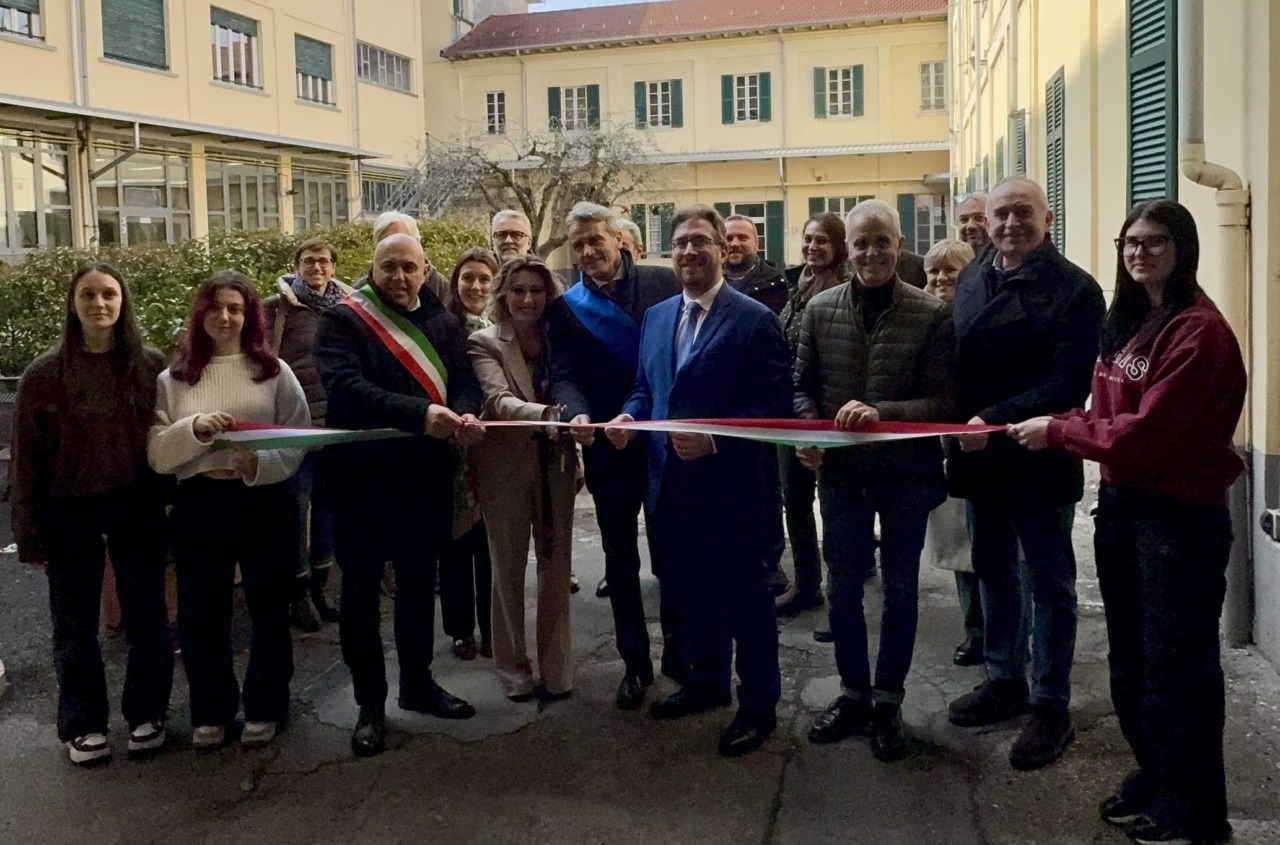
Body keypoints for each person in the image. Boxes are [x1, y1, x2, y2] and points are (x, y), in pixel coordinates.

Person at [1008, 200, 1243, 845]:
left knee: (1179, 671)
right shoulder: (1133, 321)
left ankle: (1197, 813)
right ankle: (1160, 773)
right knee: (1132, 664)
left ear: (1183, 248)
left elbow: (1148, 433)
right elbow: (1107, 411)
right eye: (1130, 243)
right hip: (1123, 509)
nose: (1139, 253)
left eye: (1155, 242)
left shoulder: (1200, 333)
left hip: (1178, 519)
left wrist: (1058, 430)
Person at [607, 205, 792, 757]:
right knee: (691, 596)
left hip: (733, 489)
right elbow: (646, 388)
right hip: (669, 489)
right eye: (681, 243)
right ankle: (707, 684)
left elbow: (775, 409)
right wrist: (628, 417)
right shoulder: (659, 317)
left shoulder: (754, 319)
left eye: (700, 242)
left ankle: (758, 705)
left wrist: (715, 440)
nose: (689, 251)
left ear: (722, 250)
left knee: (746, 601)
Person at [946, 177, 1105, 771]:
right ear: (984, 223)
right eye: (999, 214)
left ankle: (1050, 700)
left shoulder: (1076, 290)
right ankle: (1003, 676)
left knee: (1049, 581)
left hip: (1036, 454)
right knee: (991, 569)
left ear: (1048, 217)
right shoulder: (971, 276)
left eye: (1022, 213)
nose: (1009, 223)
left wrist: (994, 417)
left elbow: (1069, 382)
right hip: (979, 456)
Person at [795, 201, 955, 762]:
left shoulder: (931, 313)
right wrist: (809, 436)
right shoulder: (819, 309)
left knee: (900, 593)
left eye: (881, 241)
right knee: (841, 591)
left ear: (900, 242)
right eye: (861, 243)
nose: (871, 253)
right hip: (840, 476)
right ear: (849, 248)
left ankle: (889, 701)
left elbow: (945, 401)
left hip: (906, 476)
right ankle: (853, 694)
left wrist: (881, 412)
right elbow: (801, 388)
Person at [314, 233, 484, 758]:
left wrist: (466, 410)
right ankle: (370, 703)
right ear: (372, 267)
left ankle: (417, 683)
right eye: (389, 267)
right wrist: (420, 415)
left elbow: (463, 382)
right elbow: (345, 387)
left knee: (416, 588)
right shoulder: (342, 320)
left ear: (425, 269)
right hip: (360, 483)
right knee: (361, 595)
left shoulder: (445, 321)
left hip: (423, 479)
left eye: (409, 268)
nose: (399, 277)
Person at [11, 263, 173, 765]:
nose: (99, 304)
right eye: (88, 295)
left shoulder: (150, 365)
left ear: (123, 301)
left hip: (137, 503)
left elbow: (165, 440)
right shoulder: (43, 375)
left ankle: (148, 713)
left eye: (109, 294)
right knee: (74, 622)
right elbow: (26, 461)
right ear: (73, 303)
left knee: (146, 615)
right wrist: (30, 535)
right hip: (69, 510)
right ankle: (83, 722)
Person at [149, 271, 310, 751]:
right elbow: (157, 453)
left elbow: (298, 439)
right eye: (215, 307)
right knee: (202, 613)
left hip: (264, 500)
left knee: (268, 609)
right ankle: (211, 710)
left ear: (249, 316)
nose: (225, 317)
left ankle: (266, 705)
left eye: (236, 308)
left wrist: (259, 463)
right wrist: (194, 430)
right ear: (201, 314)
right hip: (201, 503)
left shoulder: (274, 371)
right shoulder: (173, 380)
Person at [547, 201, 681, 711]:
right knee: (620, 559)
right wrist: (576, 414)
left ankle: (680, 651)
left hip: (667, 440)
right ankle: (635, 663)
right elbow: (565, 375)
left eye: (594, 241)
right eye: (577, 245)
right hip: (607, 445)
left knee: (672, 552)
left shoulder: (663, 284)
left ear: (619, 240)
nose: (586, 252)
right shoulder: (567, 308)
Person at [469, 255, 577, 702]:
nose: (528, 299)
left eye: (537, 290)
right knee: (507, 571)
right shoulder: (485, 342)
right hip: (505, 469)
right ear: (503, 295)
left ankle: (557, 670)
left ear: (548, 295)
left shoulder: (563, 339)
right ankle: (513, 669)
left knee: (556, 572)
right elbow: (497, 401)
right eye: (518, 291)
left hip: (559, 468)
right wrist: (548, 415)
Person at [265, 238, 354, 633]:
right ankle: (297, 592)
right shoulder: (277, 310)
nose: (316, 267)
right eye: (308, 261)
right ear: (296, 266)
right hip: (295, 423)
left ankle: (321, 586)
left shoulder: (350, 308)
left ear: (333, 267)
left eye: (323, 261)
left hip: (336, 423)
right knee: (295, 511)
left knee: (328, 511)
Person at [776, 213, 850, 621]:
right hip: (793, 410)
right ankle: (807, 586)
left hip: (831, 415)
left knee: (838, 508)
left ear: (838, 246)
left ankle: (843, 594)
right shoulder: (796, 284)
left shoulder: (844, 288)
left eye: (822, 240)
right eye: (807, 239)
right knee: (796, 502)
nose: (812, 247)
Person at [922, 238, 986, 667]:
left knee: (990, 548)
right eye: (934, 272)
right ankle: (974, 629)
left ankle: (1005, 630)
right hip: (940, 447)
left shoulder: (980, 319)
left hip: (982, 443)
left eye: (952, 270)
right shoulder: (923, 321)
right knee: (958, 548)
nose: (942, 278)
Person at [439, 248, 498, 661]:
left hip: (498, 450)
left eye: (483, 278)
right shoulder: (442, 328)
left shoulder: (508, 326)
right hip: (452, 451)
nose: (476, 286)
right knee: (457, 544)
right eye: (467, 278)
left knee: (493, 546)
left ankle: (495, 627)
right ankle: (461, 630)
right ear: (455, 284)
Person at [368, 211, 451, 305]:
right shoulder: (361, 291)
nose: (399, 277)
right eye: (387, 240)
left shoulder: (439, 285)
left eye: (402, 238)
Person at [723, 214, 787, 314]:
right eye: (728, 239)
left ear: (757, 244)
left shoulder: (777, 284)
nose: (735, 244)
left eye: (742, 238)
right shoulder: (706, 283)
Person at [955, 192, 993, 257]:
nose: (970, 226)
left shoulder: (1004, 261)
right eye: (964, 220)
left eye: (979, 218)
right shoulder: (951, 262)